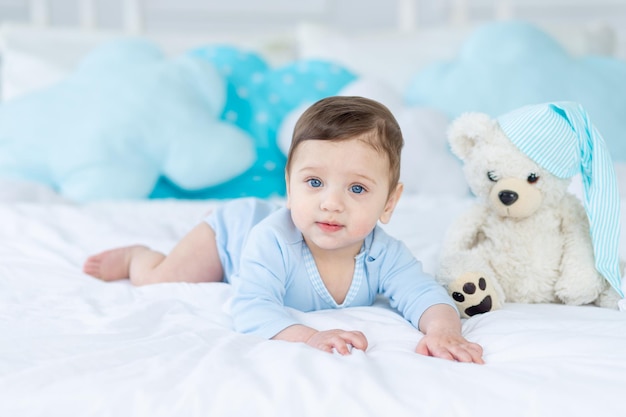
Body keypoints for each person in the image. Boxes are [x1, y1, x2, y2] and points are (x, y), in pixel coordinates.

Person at [83, 96, 484, 363]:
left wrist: (445, 331)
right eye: (313, 183)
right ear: (288, 187)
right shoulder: (272, 239)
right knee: (163, 280)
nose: (331, 202)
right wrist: (308, 338)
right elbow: (252, 306)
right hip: (228, 235)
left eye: (357, 188)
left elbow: (422, 293)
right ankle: (141, 257)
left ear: (390, 203)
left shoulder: (384, 253)